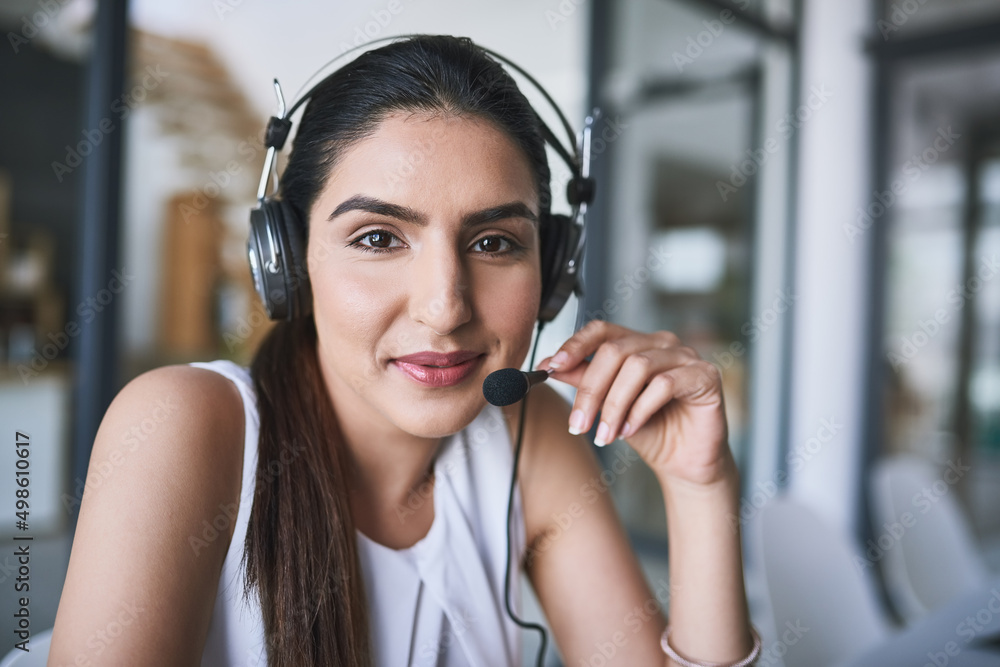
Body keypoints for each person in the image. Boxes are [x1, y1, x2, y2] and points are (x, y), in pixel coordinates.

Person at [49, 34, 756, 666]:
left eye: (493, 242)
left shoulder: (526, 432)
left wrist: (701, 486)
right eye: (379, 238)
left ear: (554, 271)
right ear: (291, 260)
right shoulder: (185, 425)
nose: (445, 306)